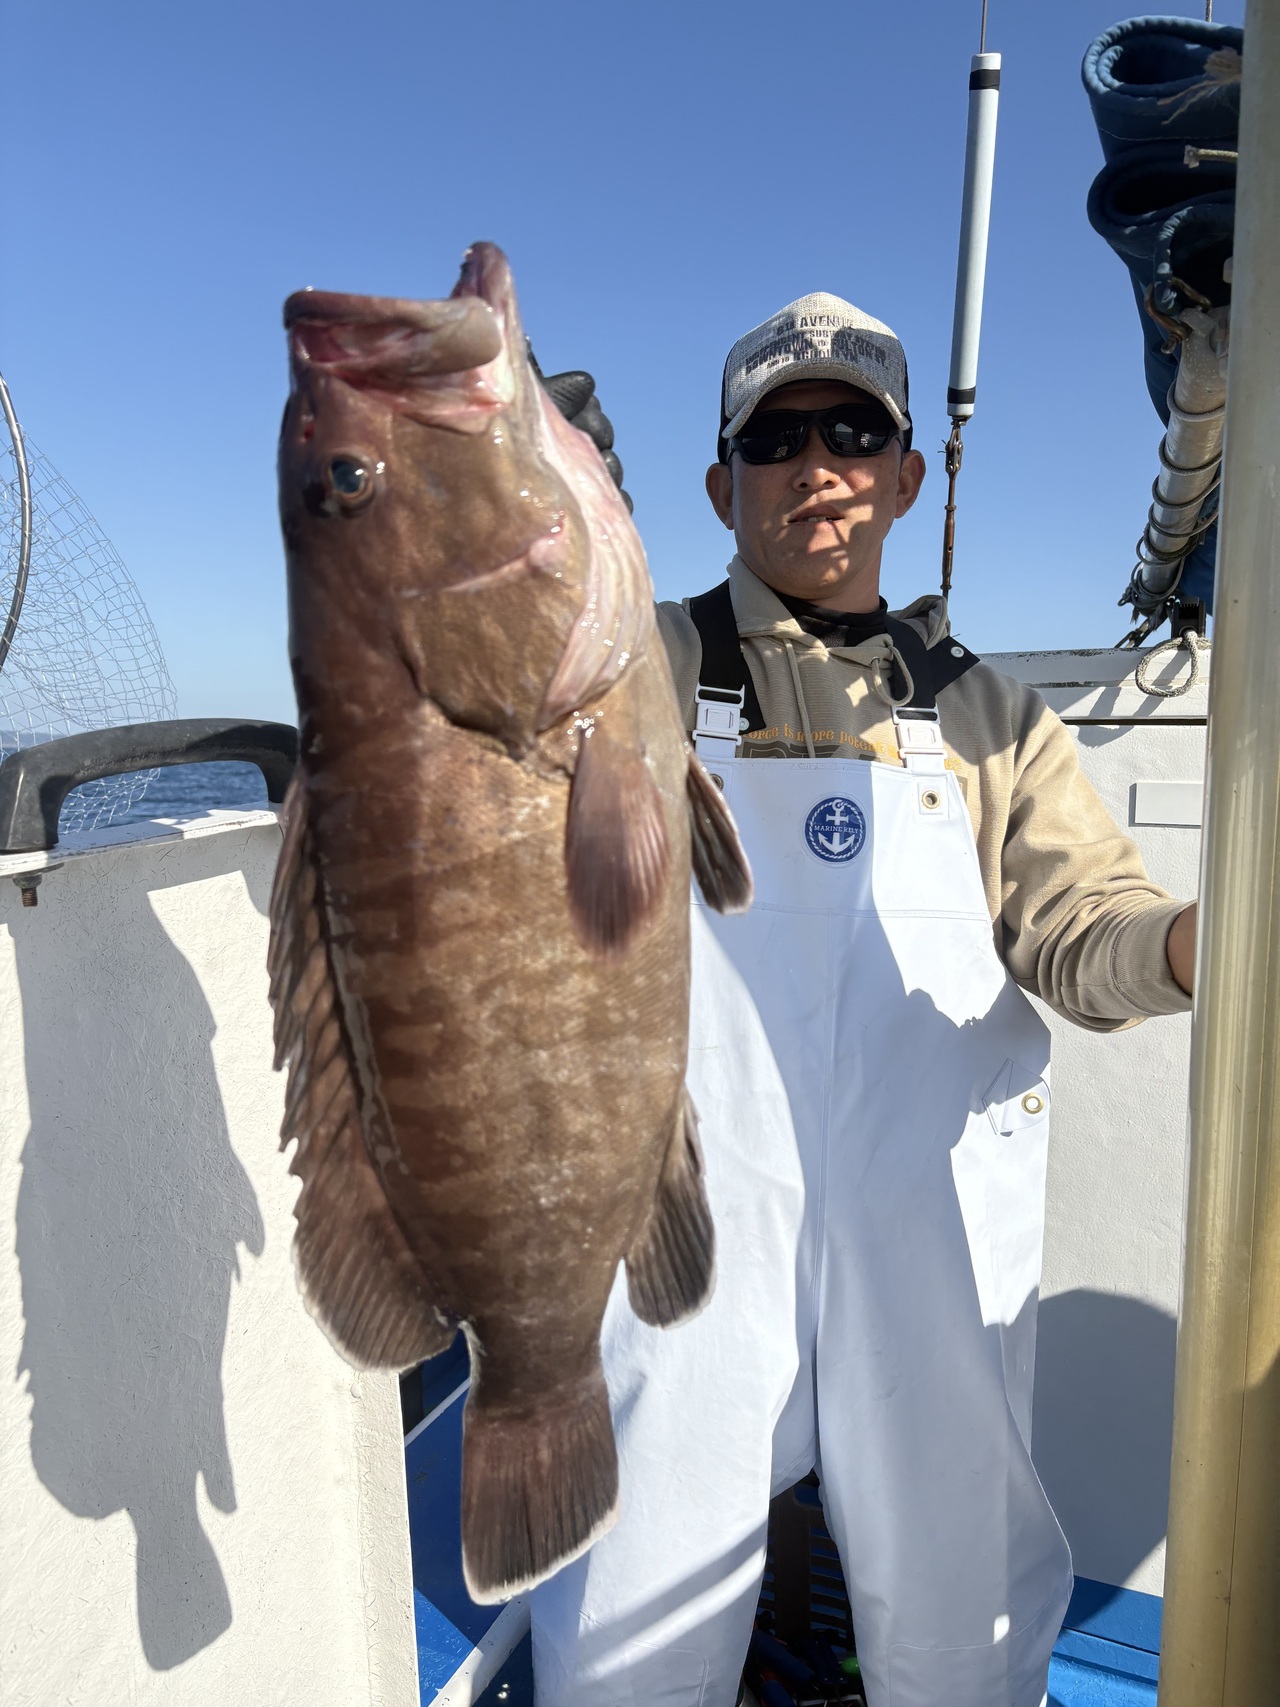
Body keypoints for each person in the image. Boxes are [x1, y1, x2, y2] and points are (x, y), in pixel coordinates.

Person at [529, 293, 1197, 1707]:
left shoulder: (993, 718)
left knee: (962, 1606)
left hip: (927, 1227)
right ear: (721, 487)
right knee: (631, 1607)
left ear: (905, 475)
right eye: (774, 440)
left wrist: (1194, 948)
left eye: (850, 432)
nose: (815, 466)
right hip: (686, 1210)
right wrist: (537, 506)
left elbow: (1084, 931)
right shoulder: (642, 669)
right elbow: (517, 689)